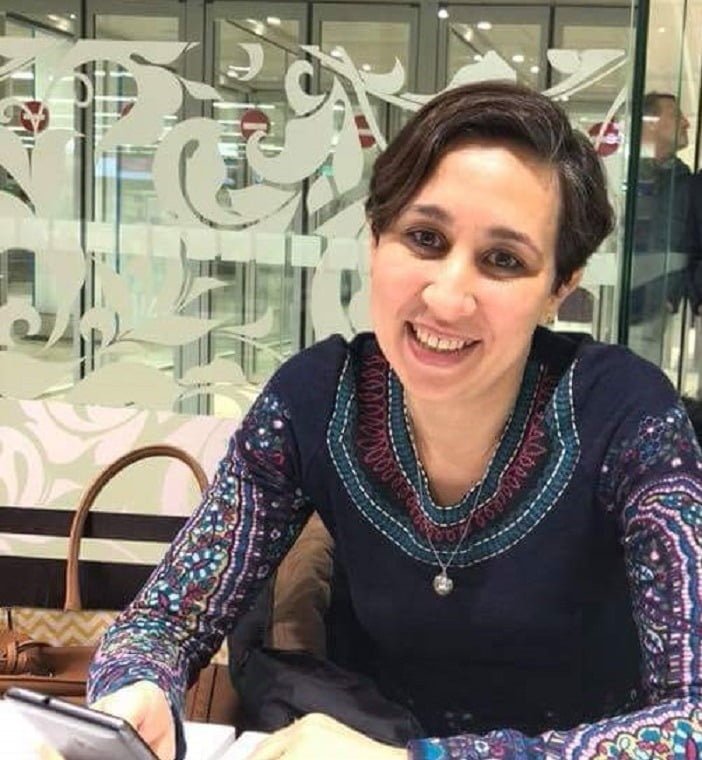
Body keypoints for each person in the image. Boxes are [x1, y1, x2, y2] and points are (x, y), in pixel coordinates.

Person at [85, 81, 702, 760]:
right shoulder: (316, 400)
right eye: (425, 238)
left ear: (560, 286)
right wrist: (134, 688)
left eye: (503, 260)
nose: (448, 297)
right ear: (376, 239)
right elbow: (163, 620)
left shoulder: (627, 417)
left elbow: (694, 719)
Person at [630, 92, 692, 365]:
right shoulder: (624, 170)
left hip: (654, 302)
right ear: (651, 122)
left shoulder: (682, 179)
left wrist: (671, 293)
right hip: (620, 295)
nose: (686, 123)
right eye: (676, 115)